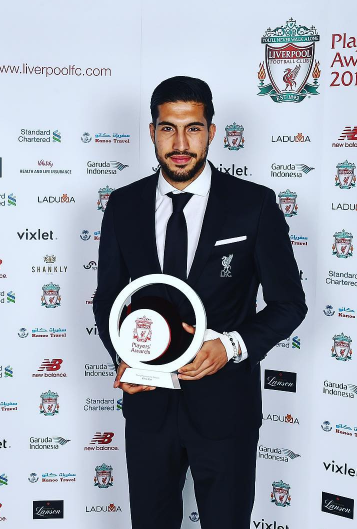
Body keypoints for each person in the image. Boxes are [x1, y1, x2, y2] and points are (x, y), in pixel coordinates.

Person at [93, 76, 307, 529]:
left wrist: (229, 347)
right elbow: (109, 298)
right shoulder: (124, 205)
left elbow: (289, 303)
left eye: (192, 128)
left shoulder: (254, 204)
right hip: (148, 408)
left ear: (211, 131)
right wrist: (123, 356)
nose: (180, 144)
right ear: (152, 132)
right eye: (167, 129)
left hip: (226, 408)